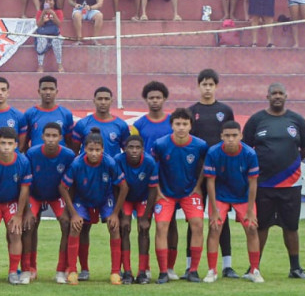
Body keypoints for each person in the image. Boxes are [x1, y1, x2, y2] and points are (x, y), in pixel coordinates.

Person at [243, 82, 305, 280]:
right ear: (267, 96)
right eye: (273, 93)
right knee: (261, 227)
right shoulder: (256, 120)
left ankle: (295, 268)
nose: (277, 96)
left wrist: (290, 164)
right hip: (263, 184)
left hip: (290, 184)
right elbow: (246, 149)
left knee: (291, 227)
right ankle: (254, 268)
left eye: (280, 93)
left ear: (286, 96)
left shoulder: (297, 120)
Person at [59, 128, 127, 286]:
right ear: (84, 149)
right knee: (76, 227)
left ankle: (115, 272)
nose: (94, 153)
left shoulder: (109, 162)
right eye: (90, 149)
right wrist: (73, 213)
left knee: (114, 227)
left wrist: (115, 213)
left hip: (105, 198)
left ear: (103, 149)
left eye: (97, 150)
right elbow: (62, 187)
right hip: (82, 199)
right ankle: (75, 271)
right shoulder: (77, 163)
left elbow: (124, 187)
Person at [188, 69, 237, 278]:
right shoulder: (192, 111)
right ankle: (190, 265)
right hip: (197, 173)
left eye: (211, 84)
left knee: (220, 218)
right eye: (204, 84)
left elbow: (231, 138)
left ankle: (227, 265)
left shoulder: (225, 111)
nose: (207, 88)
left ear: (216, 86)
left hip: (221, 173)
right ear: (198, 86)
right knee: (195, 219)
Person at [151, 108, 209, 284]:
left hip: (189, 193)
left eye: (185, 124)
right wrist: (158, 190)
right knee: (161, 227)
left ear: (191, 125)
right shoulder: (160, 144)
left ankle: (193, 271)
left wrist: (198, 186)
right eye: (178, 124)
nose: (181, 127)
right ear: (172, 125)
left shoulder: (200, 145)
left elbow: (206, 165)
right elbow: (152, 166)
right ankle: (163, 272)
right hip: (166, 193)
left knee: (198, 225)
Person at [203, 121, 262, 283]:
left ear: (241, 136)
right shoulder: (213, 152)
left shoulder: (249, 154)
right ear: (221, 136)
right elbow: (210, 182)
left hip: (242, 195)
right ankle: (212, 270)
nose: (230, 139)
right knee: (214, 228)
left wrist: (250, 210)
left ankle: (254, 270)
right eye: (227, 136)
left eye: (234, 135)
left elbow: (253, 182)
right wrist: (214, 209)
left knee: (251, 228)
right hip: (220, 195)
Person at [0, 127, 31, 286]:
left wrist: (19, 215)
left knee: (16, 233)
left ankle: (13, 272)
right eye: (3, 143)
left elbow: (24, 190)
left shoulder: (23, 162)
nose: (6, 147)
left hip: (12, 203)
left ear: (16, 145)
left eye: (10, 143)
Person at [114, 134, 158, 284]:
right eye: (130, 147)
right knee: (124, 227)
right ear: (124, 148)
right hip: (124, 198)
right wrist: (119, 212)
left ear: (143, 149)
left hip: (143, 199)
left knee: (144, 229)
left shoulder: (150, 162)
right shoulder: (118, 161)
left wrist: (146, 216)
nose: (134, 150)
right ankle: (127, 271)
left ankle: (142, 272)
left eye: (137, 147)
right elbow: (116, 188)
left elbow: (153, 190)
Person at [72, 87, 132, 156]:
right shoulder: (82, 124)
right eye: (100, 99)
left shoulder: (121, 125)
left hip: (112, 167)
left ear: (111, 101)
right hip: (88, 167)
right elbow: (74, 151)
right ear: (94, 101)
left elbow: (127, 151)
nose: (103, 102)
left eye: (106, 99)